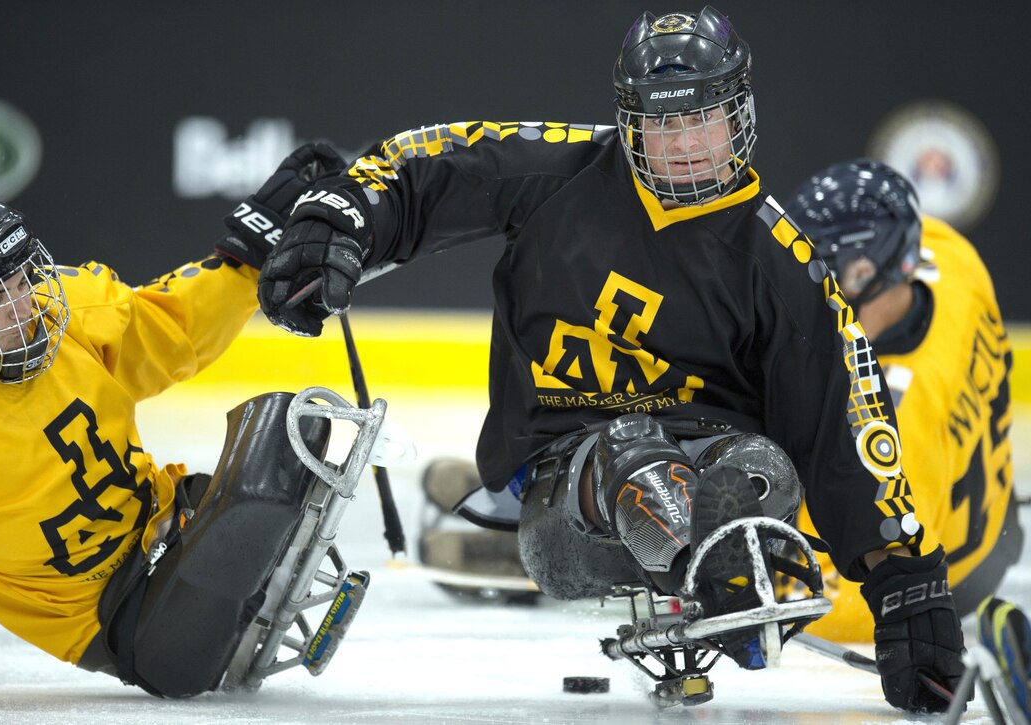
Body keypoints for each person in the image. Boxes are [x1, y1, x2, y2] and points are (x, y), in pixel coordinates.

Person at [258, 6, 965, 712]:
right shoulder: (564, 174)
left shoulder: (784, 265)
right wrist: (344, 212)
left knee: (760, 466)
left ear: (739, 114)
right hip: (570, 496)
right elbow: (430, 166)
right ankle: (708, 555)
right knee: (637, 446)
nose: (686, 142)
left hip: (725, 465)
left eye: (704, 117)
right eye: (663, 124)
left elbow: (845, 428)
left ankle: (720, 544)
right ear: (631, 124)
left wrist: (903, 579)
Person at [0, 141, 346, 698]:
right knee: (267, 470)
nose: (24, 307)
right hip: (125, 626)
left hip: (174, 523)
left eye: (21, 282)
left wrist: (256, 248)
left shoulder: (62, 315)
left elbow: (169, 326)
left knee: (295, 427)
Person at [781, 159, 1019, 642]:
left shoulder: (891, 420)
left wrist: (738, 583)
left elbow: (847, 608)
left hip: (954, 579)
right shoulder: (953, 260)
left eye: (823, 275)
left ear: (868, 270)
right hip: (996, 517)